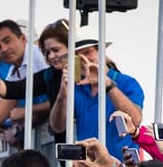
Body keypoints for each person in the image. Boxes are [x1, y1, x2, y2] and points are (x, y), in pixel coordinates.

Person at [48, 29, 145, 159]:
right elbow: (57, 127)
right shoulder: (75, 87)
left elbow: (135, 120)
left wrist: (106, 84)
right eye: (78, 56)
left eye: (88, 52)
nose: (84, 59)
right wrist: (63, 92)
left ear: (101, 52)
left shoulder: (127, 83)